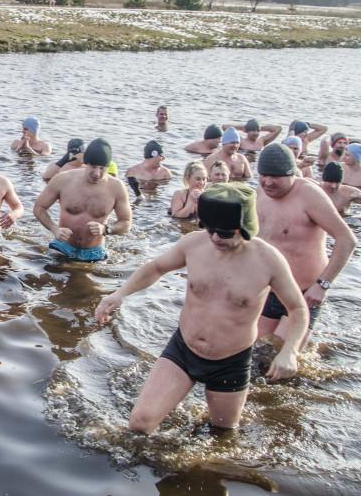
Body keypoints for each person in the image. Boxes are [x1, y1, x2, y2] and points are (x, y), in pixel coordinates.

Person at [94, 183, 306, 434]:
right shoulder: (194, 244)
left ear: (246, 228)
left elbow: (298, 308)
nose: (216, 238)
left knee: (222, 434)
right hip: (184, 350)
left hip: (231, 361)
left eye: (225, 233)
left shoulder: (268, 261)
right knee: (140, 424)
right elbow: (156, 267)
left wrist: (290, 351)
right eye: (210, 229)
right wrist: (119, 293)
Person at [255, 143, 357, 344]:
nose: (268, 182)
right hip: (269, 290)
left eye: (275, 176)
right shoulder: (260, 192)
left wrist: (323, 285)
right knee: (255, 351)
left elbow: (347, 240)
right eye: (264, 175)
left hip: (305, 294)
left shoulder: (310, 195)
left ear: (292, 173)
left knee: (281, 352)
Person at [34, 138, 132, 261]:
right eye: (93, 167)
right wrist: (55, 229)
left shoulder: (117, 188)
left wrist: (106, 229)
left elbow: (126, 222)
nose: (97, 173)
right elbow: (39, 208)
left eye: (102, 168)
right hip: (62, 247)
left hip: (94, 251)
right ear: (85, 163)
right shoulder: (63, 180)